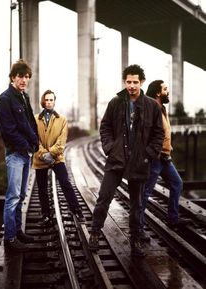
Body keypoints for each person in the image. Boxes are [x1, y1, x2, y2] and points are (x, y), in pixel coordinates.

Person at [88, 64, 164, 257]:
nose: (131, 86)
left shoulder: (151, 106)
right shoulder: (115, 103)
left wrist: (148, 154)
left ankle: (136, 239)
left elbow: (158, 133)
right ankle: (95, 233)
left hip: (139, 161)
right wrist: (109, 148)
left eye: (135, 82)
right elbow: (105, 127)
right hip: (117, 159)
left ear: (142, 82)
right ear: (124, 82)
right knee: (104, 197)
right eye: (128, 82)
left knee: (137, 204)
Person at [0, 59, 39, 252]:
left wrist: (35, 141)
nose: (24, 80)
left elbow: (29, 122)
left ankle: (18, 232)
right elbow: (9, 132)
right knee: (12, 197)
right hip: (15, 154)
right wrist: (27, 146)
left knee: (21, 195)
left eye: (27, 77)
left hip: (26, 153)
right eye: (20, 76)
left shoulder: (24, 97)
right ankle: (10, 239)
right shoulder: (4, 100)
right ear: (13, 77)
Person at [141, 80, 190, 238]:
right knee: (146, 192)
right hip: (156, 157)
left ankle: (173, 218)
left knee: (177, 183)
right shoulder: (151, 108)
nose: (167, 91)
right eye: (165, 89)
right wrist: (151, 154)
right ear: (158, 92)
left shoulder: (162, 108)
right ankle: (138, 228)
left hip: (165, 157)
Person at [32, 89, 85, 225]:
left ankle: (77, 210)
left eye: (51, 100)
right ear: (43, 102)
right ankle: (46, 216)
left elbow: (62, 140)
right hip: (40, 158)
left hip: (56, 157)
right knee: (42, 188)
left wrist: (51, 154)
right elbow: (33, 139)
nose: (49, 103)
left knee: (65, 183)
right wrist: (43, 154)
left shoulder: (62, 119)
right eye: (47, 100)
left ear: (54, 101)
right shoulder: (35, 119)